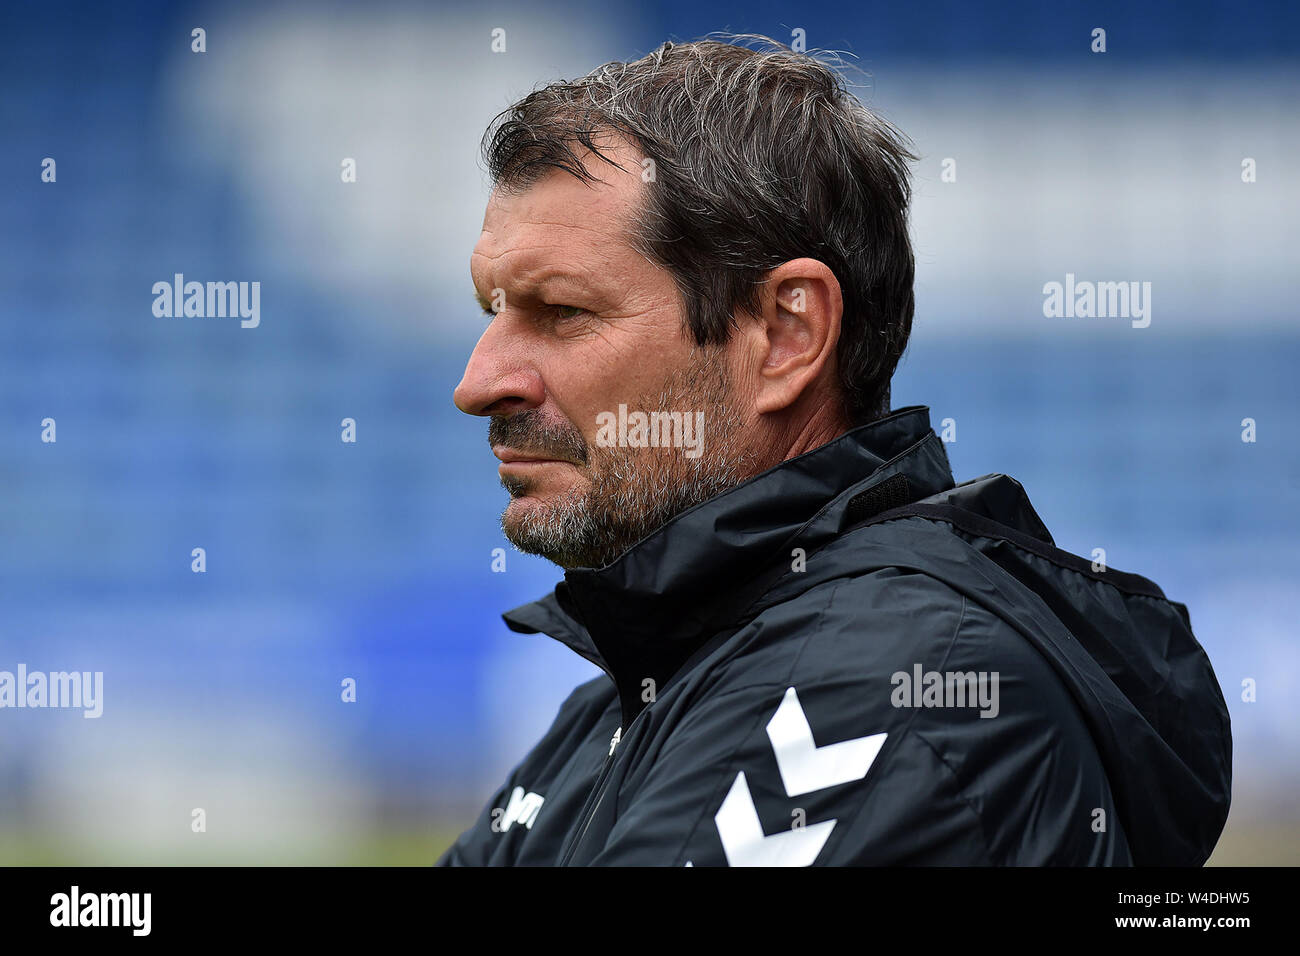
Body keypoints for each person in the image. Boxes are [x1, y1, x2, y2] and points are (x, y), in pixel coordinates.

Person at [439, 35, 1231, 866]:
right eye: (492, 310)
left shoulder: (891, 683)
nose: (479, 382)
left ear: (787, 334)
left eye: (562, 311)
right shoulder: (634, 691)